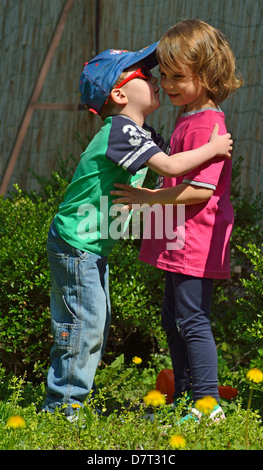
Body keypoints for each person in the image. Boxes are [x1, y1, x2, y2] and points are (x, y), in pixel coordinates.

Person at [42, 41, 233, 418]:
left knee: (92, 324)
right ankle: (62, 410)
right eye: (146, 75)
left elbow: (174, 162)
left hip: (88, 246)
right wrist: (214, 149)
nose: (158, 79)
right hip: (76, 244)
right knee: (85, 326)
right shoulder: (121, 131)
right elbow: (173, 167)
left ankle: (68, 403)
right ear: (119, 93)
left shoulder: (138, 133)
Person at [111, 20, 243, 422]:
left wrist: (150, 197)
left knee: (192, 319)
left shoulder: (207, 124)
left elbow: (201, 191)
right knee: (175, 319)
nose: (166, 83)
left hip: (194, 240)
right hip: (177, 238)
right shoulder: (189, 116)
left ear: (207, 74)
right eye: (163, 75)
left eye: (177, 76)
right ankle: (187, 396)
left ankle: (206, 404)